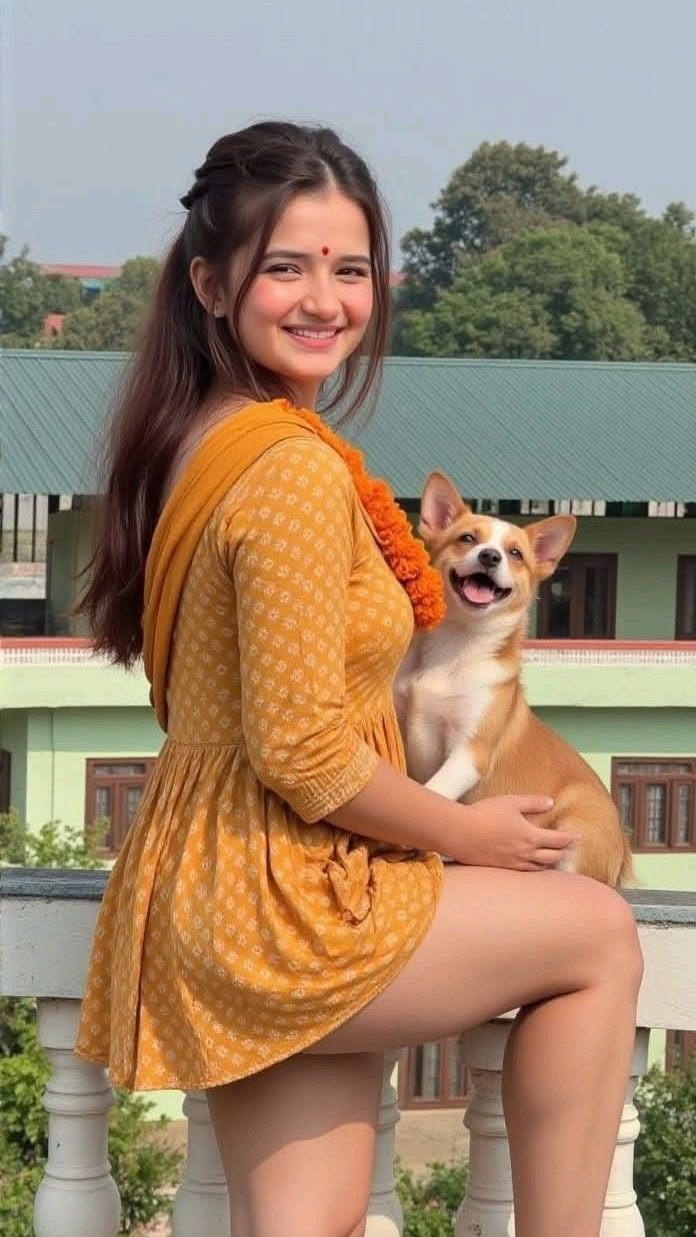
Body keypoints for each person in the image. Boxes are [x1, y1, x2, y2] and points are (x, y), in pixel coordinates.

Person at [75, 121, 643, 1237]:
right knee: (594, 932)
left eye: (351, 269)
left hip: (215, 875)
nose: (325, 300)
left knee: (306, 1221)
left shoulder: (204, 437)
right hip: (285, 894)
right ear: (210, 284)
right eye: (286, 267)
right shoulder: (287, 468)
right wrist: (469, 833)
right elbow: (301, 749)